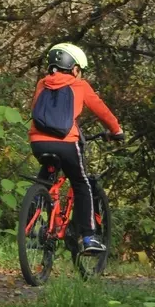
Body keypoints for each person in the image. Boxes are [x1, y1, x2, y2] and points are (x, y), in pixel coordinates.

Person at [29, 42, 123, 254]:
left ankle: (31, 214)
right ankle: (89, 237)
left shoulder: (42, 84)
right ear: (74, 68)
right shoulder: (79, 85)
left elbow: (37, 110)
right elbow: (102, 111)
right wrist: (116, 130)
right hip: (66, 144)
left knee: (45, 179)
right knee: (81, 183)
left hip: (38, 142)